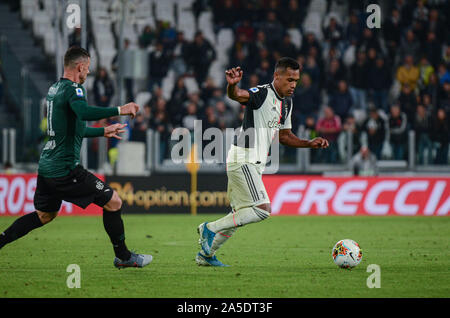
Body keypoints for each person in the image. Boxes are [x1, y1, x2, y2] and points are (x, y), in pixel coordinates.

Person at [0, 47, 152, 269]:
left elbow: (74, 128)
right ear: (80, 67)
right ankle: (124, 256)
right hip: (65, 170)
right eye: (88, 68)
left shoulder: (55, 89)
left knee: (44, 215)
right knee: (113, 201)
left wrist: (103, 131)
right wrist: (120, 108)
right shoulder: (74, 90)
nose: (88, 73)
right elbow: (83, 113)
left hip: (47, 167)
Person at [195, 57, 329, 267]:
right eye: (289, 79)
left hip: (254, 164)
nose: (293, 84)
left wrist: (308, 143)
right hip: (244, 159)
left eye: (296, 80)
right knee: (262, 210)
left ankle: (206, 255)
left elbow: (285, 136)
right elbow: (238, 95)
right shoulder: (262, 93)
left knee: (237, 216)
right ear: (277, 76)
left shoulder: (287, 103)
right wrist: (232, 86)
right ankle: (209, 228)